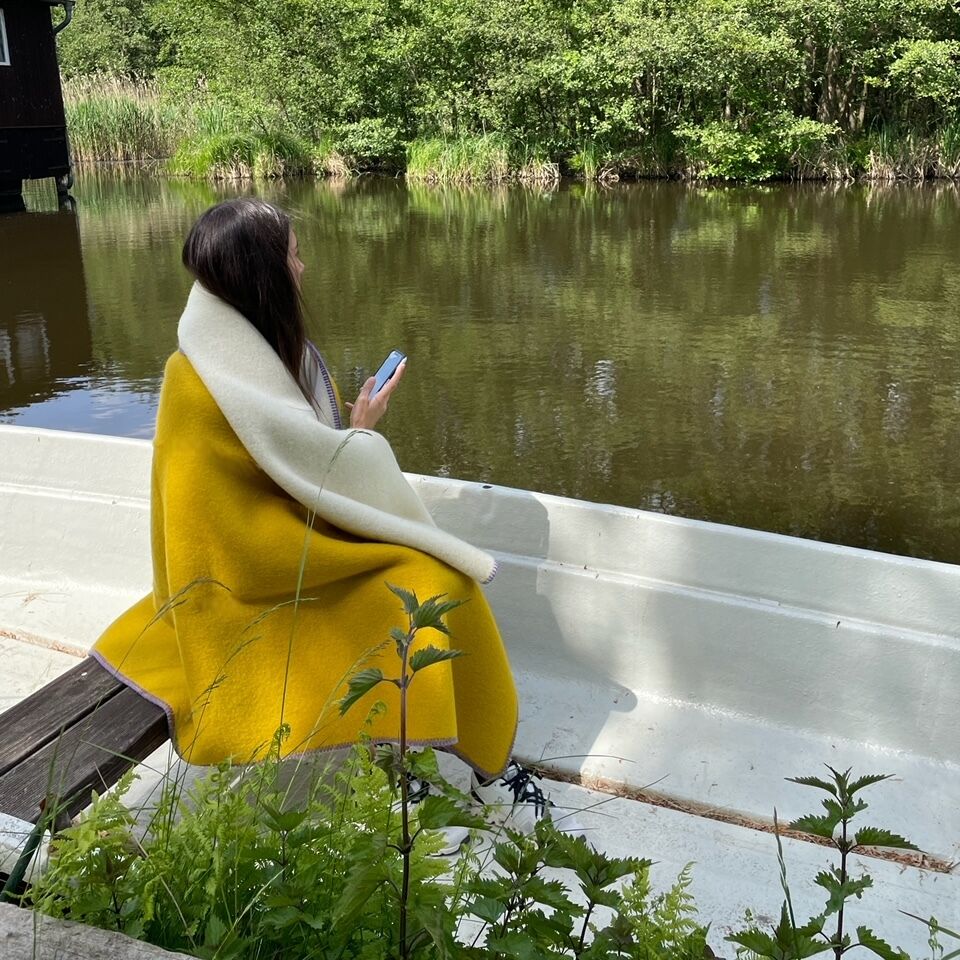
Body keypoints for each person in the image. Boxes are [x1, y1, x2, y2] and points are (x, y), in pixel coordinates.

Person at [92, 198, 579, 838]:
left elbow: (294, 461)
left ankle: (417, 745)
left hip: (294, 552)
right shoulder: (195, 380)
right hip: (246, 585)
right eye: (293, 253)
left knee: (429, 578)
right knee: (434, 585)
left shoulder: (249, 354)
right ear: (263, 274)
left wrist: (356, 430)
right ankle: (453, 759)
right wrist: (357, 447)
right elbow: (232, 521)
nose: (304, 266)